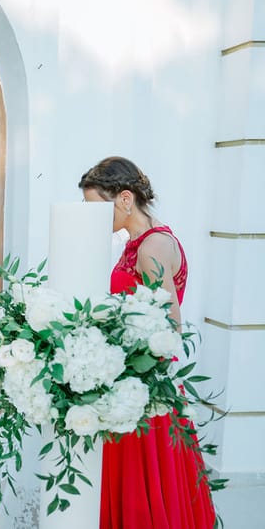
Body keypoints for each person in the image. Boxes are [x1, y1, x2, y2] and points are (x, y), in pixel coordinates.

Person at [80, 156, 215, 529]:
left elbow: (169, 326)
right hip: (132, 381)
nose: (94, 219)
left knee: (143, 489)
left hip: (142, 387)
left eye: (99, 208)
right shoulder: (140, 241)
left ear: (125, 199)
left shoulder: (152, 247)